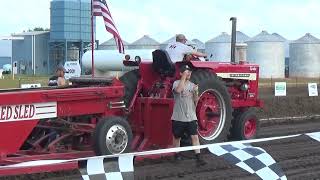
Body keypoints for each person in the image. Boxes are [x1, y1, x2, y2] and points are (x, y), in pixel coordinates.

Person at [171, 64, 206, 166]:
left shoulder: (192, 85)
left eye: (190, 72)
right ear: (181, 73)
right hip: (178, 117)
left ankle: (198, 158)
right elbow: (178, 90)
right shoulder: (176, 83)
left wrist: (196, 93)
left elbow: (196, 101)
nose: (189, 73)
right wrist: (183, 77)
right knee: (177, 137)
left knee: (195, 137)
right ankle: (177, 155)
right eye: (186, 72)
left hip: (191, 117)